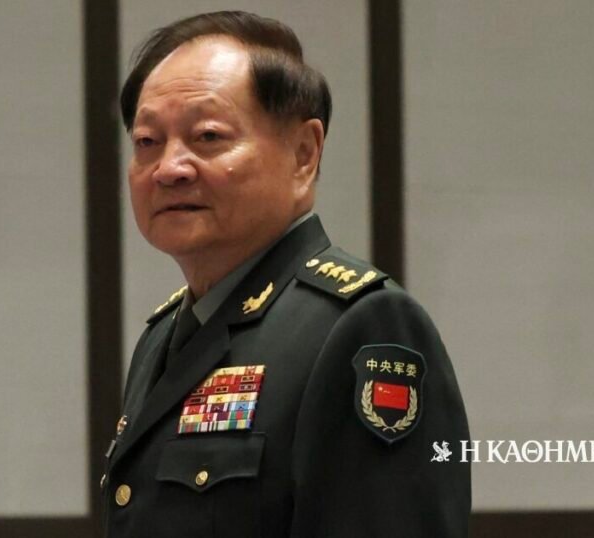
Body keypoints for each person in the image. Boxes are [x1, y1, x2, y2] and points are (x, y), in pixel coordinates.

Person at [102, 11, 470, 538]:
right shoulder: (164, 335)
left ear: (303, 154)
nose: (169, 168)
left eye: (207, 136)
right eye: (146, 142)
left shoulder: (361, 327)